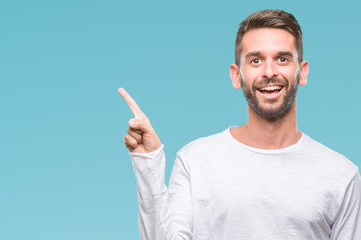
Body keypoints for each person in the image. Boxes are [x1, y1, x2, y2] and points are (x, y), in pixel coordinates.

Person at [118, 9, 361, 240]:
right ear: (236, 75)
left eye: (282, 59)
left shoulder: (341, 175)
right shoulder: (195, 160)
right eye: (255, 60)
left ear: (302, 72)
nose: (269, 71)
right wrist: (148, 165)